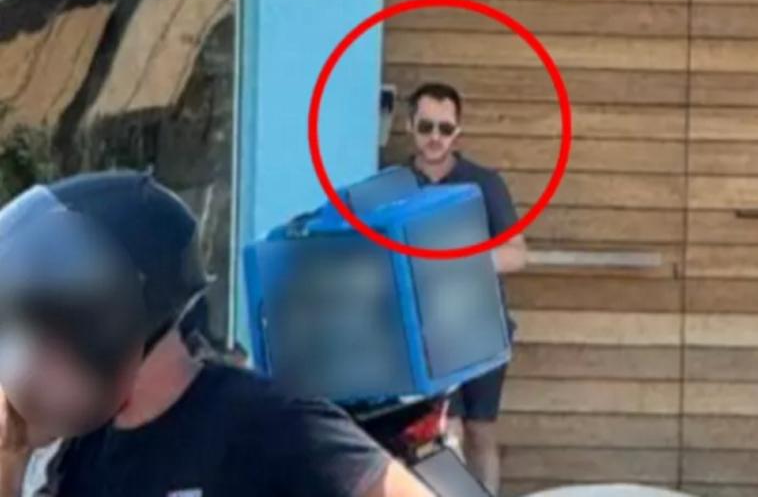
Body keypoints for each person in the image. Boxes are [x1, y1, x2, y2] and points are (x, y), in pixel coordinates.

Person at [0, 171, 432, 497]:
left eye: (50, 338)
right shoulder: (85, 453)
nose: (33, 361)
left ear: (106, 322)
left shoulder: (267, 424)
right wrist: (10, 459)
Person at [402, 82, 528, 494]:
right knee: (444, 431)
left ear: (458, 131)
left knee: (480, 431)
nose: (435, 138)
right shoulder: (392, 185)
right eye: (426, 127)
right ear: (409, 126)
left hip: (482, 326)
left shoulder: (484, 183)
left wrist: (457, 260)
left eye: (445, 128)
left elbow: (516, 254)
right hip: (424, 332)